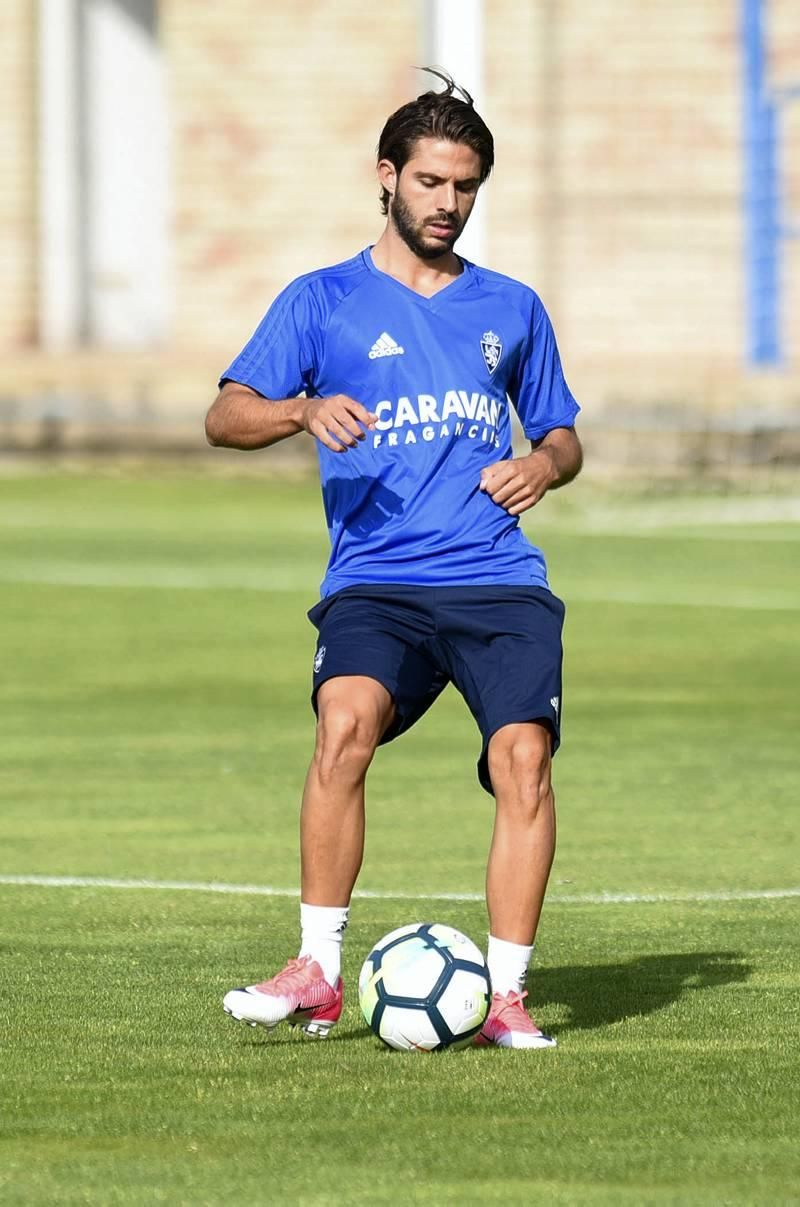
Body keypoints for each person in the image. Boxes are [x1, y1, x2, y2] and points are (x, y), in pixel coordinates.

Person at [206, 71, 583, 1049]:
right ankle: (317, 971)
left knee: (522, 762)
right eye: (428, 183)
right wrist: (298, 410)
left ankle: (503, 997)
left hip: (497, 579)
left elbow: (562, 434)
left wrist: (541, 462)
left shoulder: (511, 306)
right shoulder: (321, 300)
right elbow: (224, 414)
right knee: (343, 724)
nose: (446, 205)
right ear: (387, 176)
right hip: (375, 580)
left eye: (463, 187)